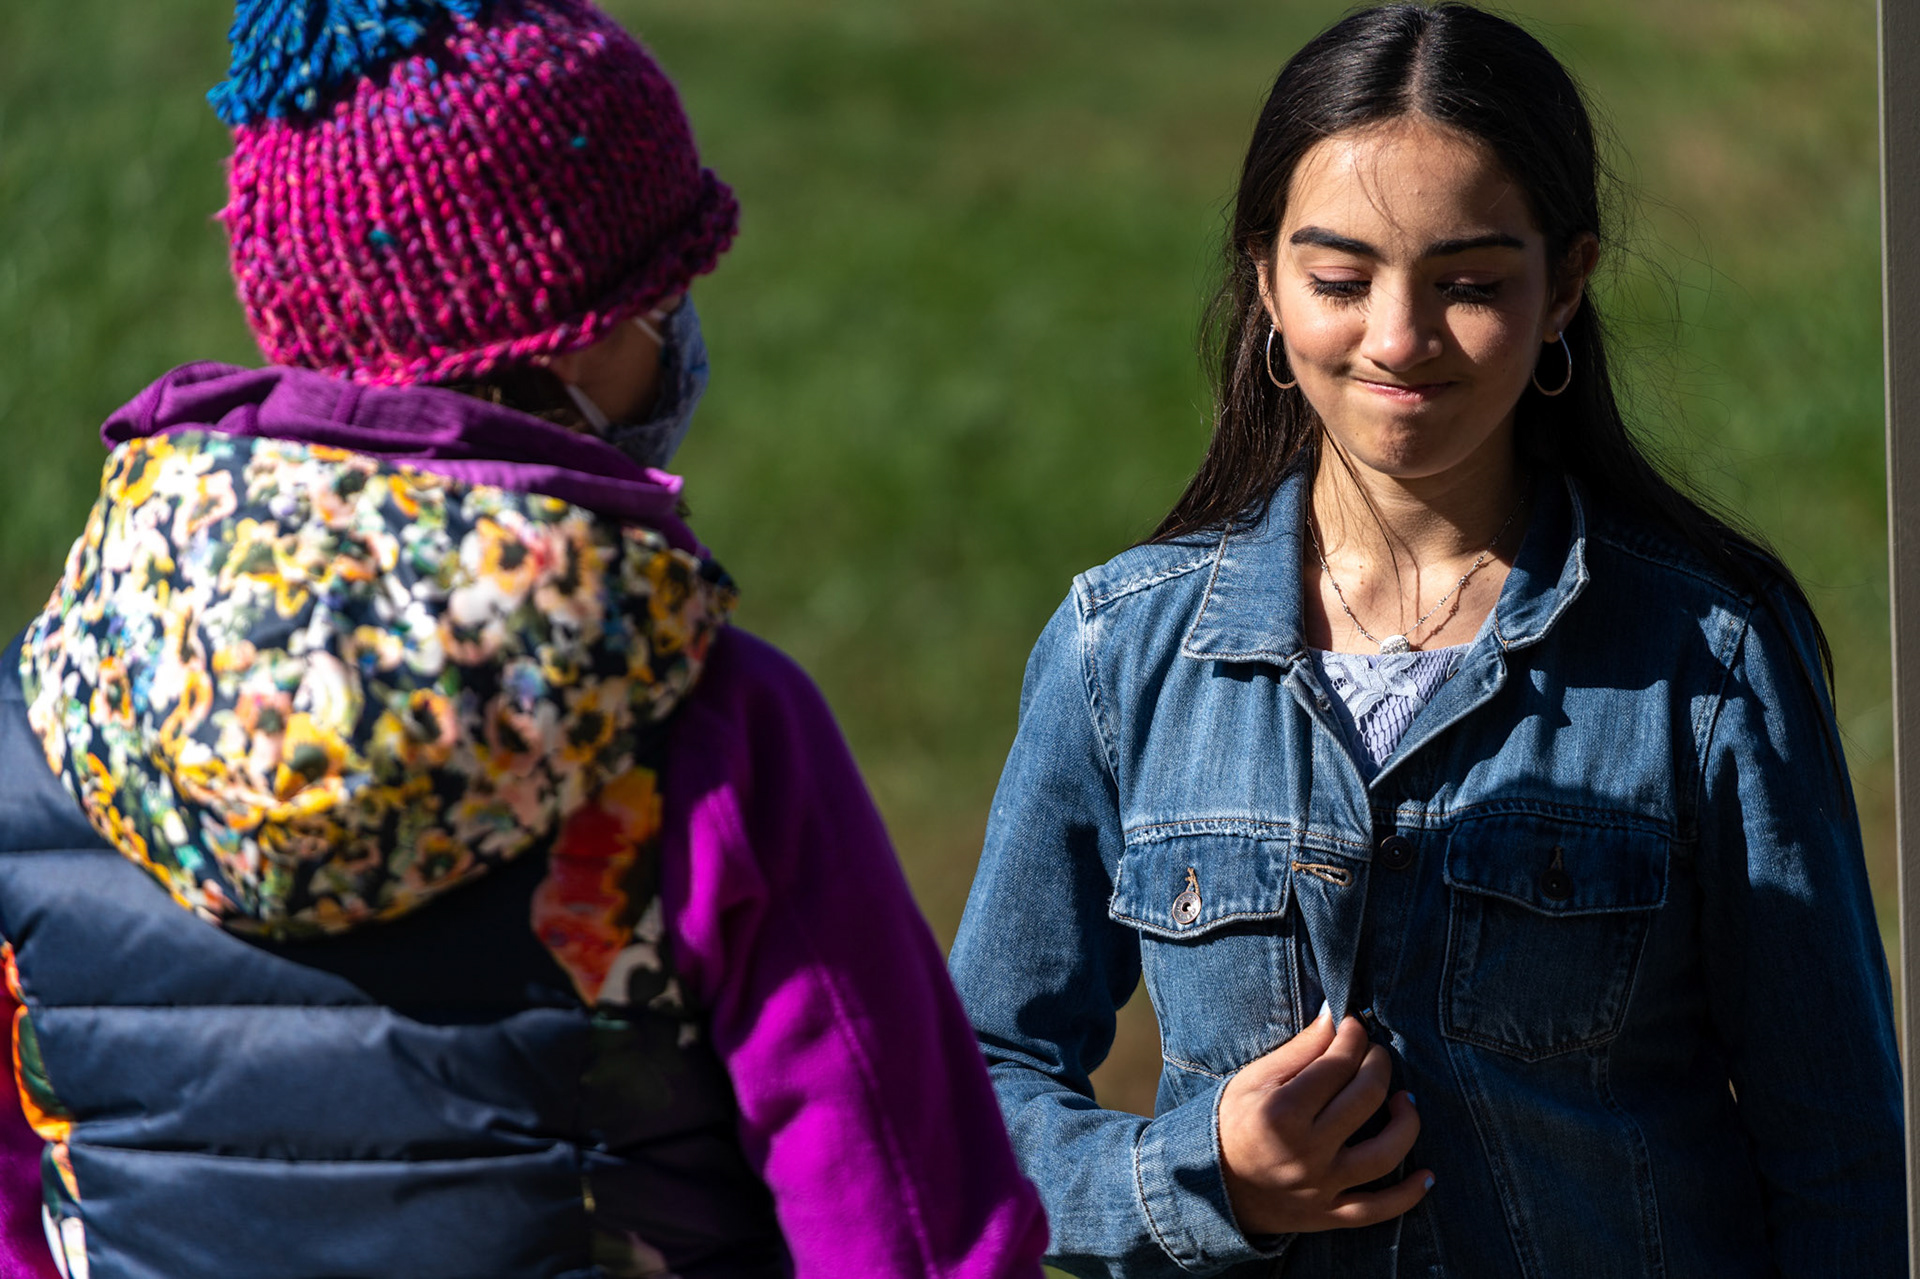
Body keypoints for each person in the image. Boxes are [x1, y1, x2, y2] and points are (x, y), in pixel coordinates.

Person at [0, 1, 1048, 1275]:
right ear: (577, 333)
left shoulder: (54, 712)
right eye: (665, 293)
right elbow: (910, 1230)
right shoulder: (702, 719)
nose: (683, 331)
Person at [949, 4, 1904, 1275]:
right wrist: (1204, 1173)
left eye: (1468, 284)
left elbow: (1839, 1153)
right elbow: (970, 1091)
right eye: (1340, 279)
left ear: (1566, 282)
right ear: (1265, 280)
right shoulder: (1122, 649)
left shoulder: (1709, 656)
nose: (1398, 339)